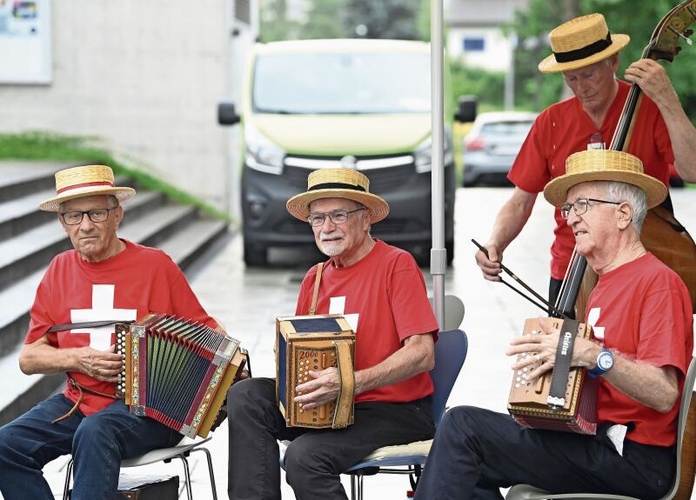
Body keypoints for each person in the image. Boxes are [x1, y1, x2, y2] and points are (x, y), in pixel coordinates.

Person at [414, 149, 693, 499]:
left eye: (583, 205)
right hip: (594, 441)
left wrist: (593, 356)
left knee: (462, 427)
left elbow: (664, 393)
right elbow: (596, 380)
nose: (571, 218)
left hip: (633, 458)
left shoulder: (657, 282)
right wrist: (553, 370)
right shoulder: (603, 283)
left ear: (623, 214)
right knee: (469, 457)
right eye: (568, 209)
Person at [0, 164, 221, 500]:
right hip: (79, 403)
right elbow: (29, 357)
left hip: (148, 410)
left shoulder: (155, 265)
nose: (85, 225)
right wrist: (77, 358)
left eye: (96, 213)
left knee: (96, 432)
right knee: (5, 447)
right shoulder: (59, 269)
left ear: (118, 215)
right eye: (74, 216)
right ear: (63, 223)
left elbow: (211, 334)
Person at [226, 168, 439, 500]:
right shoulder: (314, 278)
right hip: (327, 406)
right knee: (247, 396)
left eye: (338, 215)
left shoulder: (396, 264)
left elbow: (423, 353)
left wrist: (350, 381)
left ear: (366, 218)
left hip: (393, 410)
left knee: (304, 456)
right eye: (317, 219)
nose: (326, 228)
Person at [475, 13, 696, 309]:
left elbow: (692, 170)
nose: (582, 87)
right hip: (572, 270)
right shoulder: (550, 122)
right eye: (571, 78)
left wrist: (667, 99)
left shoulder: (650, 107)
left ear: (613, 61)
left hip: (641, 266)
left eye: (589, 74)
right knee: (566, 353)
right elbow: (520, 201)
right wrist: (495, 243)